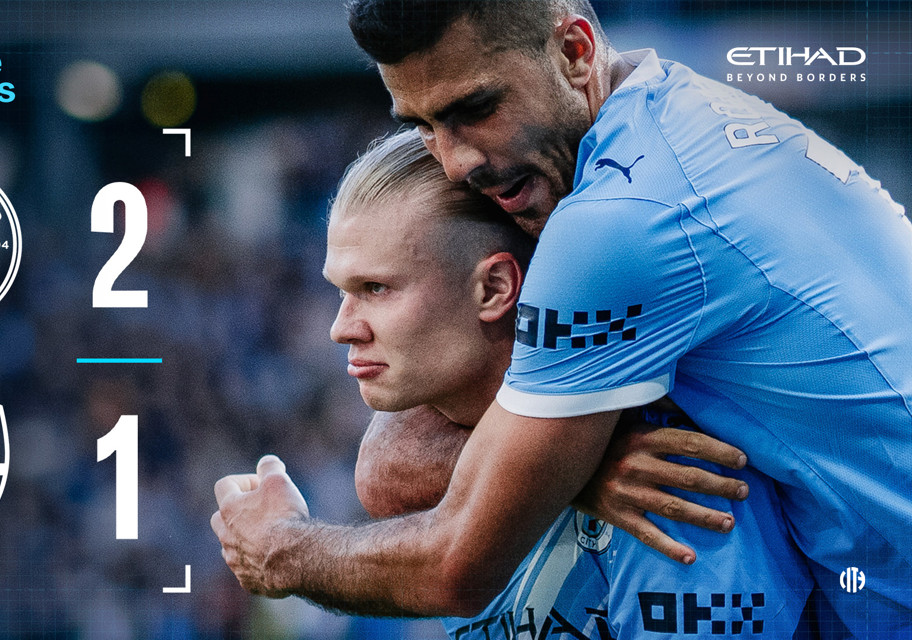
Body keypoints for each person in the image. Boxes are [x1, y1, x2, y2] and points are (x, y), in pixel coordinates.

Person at [213, 1, 912, 635]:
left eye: (475, 108)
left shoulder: (619, 224)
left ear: (575, 52)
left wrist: (280, 549)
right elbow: (390, 463)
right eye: (424, 126)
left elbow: (457, 562)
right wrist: (578, 466)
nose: (454, 162)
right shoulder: (668, 120)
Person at [325, 129, 811, 637]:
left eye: (375, 288)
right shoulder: (426, 461)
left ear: (494, 288)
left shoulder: (670, 480)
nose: (340, 328)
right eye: (342, 291)